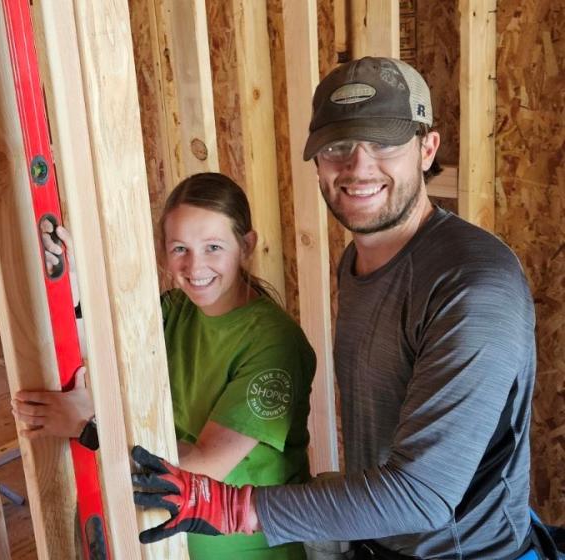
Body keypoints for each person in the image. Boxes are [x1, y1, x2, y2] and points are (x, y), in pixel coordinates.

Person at [131, 56, 549, 559]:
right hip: (379, 541)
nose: (358, 166)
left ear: (426, 148)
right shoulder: (360, 259)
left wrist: (235, 508)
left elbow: (424, 495)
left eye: (384, 143)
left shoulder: (474, 286)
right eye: (337, 148)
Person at [12, 173, 316, 559]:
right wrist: (74, 286)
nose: (195, 265)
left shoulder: (273, 342)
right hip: (166, 539)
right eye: (180, 249)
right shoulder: (175, 309)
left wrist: (91, 425)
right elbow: (107, 350)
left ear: (247, 245)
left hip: (241, 550)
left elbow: (206, 467)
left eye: (213, 247)